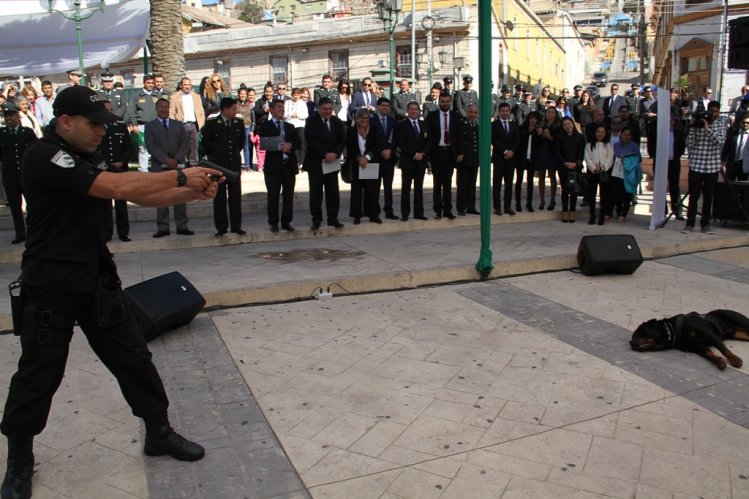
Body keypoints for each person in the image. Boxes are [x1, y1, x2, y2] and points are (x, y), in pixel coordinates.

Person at [0, 86, 219, 499]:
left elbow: (134, 192)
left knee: (133, 357)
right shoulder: (43, 155)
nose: (102, 131)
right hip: (51, 284)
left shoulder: (86, 156)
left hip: (96, 278)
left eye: (105, 124)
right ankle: (20, 460)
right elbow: (116, 187)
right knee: (38, 373)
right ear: (65, 121)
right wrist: (178, 176)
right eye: (94, 123)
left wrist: (191, 190)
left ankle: (158, 432)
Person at [145, 98, 194, 238]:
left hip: (177, 166)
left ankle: (182, 225)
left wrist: (176, 159)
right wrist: (165, 159)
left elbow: (185, 144)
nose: (163, 109)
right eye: (161, 107)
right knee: (162, 197)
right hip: (159, 166)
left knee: (180, 195)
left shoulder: (178, 125)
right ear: (156, 109)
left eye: (166, 107)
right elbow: (150, 146)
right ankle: (163, 227)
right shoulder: (150, 126)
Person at [202, 97, 247, 236]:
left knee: (235, 196)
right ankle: (221, 227)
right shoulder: (212, 124)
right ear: (225, 110)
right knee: (219, 197)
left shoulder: (238, 123)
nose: (236, 111)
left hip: (233, 164)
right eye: (233, 109)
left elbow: (240, 143)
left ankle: (236, 226)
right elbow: (206, 144)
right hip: (218, 166)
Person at [683, 101, 728, 234]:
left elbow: (719, 141)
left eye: (715, 111)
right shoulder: (698, 123)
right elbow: (689, 144)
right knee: (694, 195)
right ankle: (689, 223)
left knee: (708, 197)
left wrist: (707, 129)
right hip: (696, 165)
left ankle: (705, 224)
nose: (713, 114)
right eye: (711, 111)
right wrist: (692, 126)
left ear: (718, 112)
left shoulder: (720, 124)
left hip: (712, 166)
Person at [303, 97, 346, 230]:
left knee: (333, 191)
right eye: (325, 109)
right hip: (316, 162)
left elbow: (342, 140)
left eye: (329, 109)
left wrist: (335, 154)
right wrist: (324, 154)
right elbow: (311, 140)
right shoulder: (311, 121)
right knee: (316, 192)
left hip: (332, 161)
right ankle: (316, 218)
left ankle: (333, 218)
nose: (328, 111)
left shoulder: (337, 122)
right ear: (319, 108)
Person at [258, 99, 300, 232]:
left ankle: (286, 221)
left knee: (288, 195)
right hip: (273, 166)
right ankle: (273, 222)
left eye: (283, 107)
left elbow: (298, 142)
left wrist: (291, 145)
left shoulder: (289, 126)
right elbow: (264, 143)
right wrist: (280, 146)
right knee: (273, 195)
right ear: (271, 109)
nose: (281, 109)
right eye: (278, 107)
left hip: (288, 165)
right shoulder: (265, 126)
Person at [0, 102, 36, 244]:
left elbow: (36, 151)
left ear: (17, 116)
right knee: (15, 208)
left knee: (32, 206)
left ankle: (34, 231)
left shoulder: (27, 132)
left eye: (11, 115)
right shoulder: (1, 134)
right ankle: (20, 234)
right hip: (10, 177)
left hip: (26, 176)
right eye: (6, 116)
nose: (8, 118)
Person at [99, 100, 133, 242]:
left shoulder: (120, 125)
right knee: (105, 204)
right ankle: (106, 233)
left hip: (119, 168)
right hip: (104, 170)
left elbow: (129, 147)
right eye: (106, 110)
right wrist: (104, 165)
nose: (109, 112)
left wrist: (122, 162)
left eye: (110, 109)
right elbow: (94, 150)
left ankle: (123, 232)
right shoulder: (96, 127)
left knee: (121, 203)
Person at [426, 91, 460, 219]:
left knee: (447, 183)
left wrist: (459, 153)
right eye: (443, 102)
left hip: (450, 153)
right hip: (437, 153)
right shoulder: (432, 116)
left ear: (450, 102)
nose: (445, 104)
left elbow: (459, 136)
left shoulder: (455, 116)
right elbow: (428, 136)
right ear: (439, 102)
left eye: (447, 102)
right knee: (437, 183)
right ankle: (438, 209)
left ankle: (447, 209)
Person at [395, 101, 430, 221]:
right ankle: (405, 214)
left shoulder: (424, 124)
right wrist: (414, 155)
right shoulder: (401, 125)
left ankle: (419, 213)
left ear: (419, 111)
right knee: (406, 189)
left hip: (421, 161)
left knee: (419, 189)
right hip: (408, 161)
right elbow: (401, 143)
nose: (413, 111)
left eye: (416, 109)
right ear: (408, 110)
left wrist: (423, 153)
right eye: (411, 109)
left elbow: (429, 141)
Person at [347, 109, 383, 224]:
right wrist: (359, 158)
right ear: (357, 119)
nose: (364, 120)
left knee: (372, 191)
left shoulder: (374, 130)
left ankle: (373, 215)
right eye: (361, 118)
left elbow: (377, 147)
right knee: (357, 191)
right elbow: (350, 147)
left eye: (366, 118)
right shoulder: (351, 131)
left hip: (371, 163)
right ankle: (357, 215)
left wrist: (367, 158)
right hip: (357, 164)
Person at [649, 116, 686, 218]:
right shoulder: (657, 133)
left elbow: (682, 148)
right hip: (660, 163)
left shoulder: (677, 133)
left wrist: (675, 155)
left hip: (673, 163)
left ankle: (677, 211)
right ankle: (662, 210)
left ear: (673, 122)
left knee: (674, 187)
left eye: (671, 121)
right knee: (660, 187)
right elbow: (651, 147)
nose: (669, 123)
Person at [370, 97, 398, 219]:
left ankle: (389, 210)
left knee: (388, 186)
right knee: (375, 187)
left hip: (389, 158)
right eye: (383, 105)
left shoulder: (393, 121)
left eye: (387, 105)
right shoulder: (372, 121)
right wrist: (381, 151)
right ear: (378, 106)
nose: (385, 107)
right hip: (377, 157)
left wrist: (390, 150)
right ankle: (374, 212)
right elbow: (371, 140)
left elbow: (396, 139)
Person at [555, 117, 586, 223]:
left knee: (574, 190)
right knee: (565, 190)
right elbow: (557, 152)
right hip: (564, 167)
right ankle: (565, 212)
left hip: (575, 167)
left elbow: (581, 153)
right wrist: (564, 163)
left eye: (569, 124)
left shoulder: (580, 137)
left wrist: (576, 164)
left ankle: (572, 212)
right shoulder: (559, 137)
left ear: (573, 124)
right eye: (565, 125)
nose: (568, 126)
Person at [491, 102, 519, 215]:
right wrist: (505, 151)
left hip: (511, 159)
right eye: (503, 111)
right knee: (497, 184)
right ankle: (497, 207)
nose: (505, 113)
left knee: (509, 184)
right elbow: (494, 140)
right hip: (499, 158)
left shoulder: (514, 124)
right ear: (499, 111)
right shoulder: (494, 125)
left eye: (507, 111)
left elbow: (517, 140)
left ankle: (507, 206)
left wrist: (512, 151)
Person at [169, 77, 205, 167]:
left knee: (194, 148)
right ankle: (182, 165)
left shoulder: (196, 97)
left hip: (193, 125)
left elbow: (201, 112)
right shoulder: (174, 97)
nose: (187, 87)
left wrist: (201, 123)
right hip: (181, 126)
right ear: (181, 86)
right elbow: (171, 113)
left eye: (189, 84)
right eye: (185, 84)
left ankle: (193, 165)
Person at [127, 74, 159, 173]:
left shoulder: (157, 95)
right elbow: (131, 111)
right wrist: (134, 125)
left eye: (152, 83)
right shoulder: (137, 96)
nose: (150, 85)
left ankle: (156, 168)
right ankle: (143, 170)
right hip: (142, 126)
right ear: (144, 83)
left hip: (156, 125)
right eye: (148, 83)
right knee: (143, 149)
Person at [584, 124, 614, 225]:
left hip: (604, 172)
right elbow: (587, 158)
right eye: (598, 131)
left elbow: (610, 158)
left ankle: (602, 216)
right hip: (593, 173)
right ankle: (592, 216)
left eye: (602, 132)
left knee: (604, 195)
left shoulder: (608, 145)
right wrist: (593, 168)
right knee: (591, 195)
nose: (600, 134)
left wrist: (603, 167)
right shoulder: (589, 145)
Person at [611, 127, 642, 223]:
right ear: (621, 134)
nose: (626, 137)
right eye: (624, 134)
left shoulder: (634, 146)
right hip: (617, 172)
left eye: (628, 135)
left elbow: (639, 159)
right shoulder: (615, 145)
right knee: (617, 194)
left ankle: (623, 214)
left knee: (627, 194)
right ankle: (618, 211)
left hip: (629, 174)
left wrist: (629, 160)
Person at [456, 103, 480, 215]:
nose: (473, 114)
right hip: (464, 159)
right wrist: (459, 154)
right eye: (471, 112)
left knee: (472, 185)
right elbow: (459, 140)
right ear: (467, 112)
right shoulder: (462, 124)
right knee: (462, 185)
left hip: (474, 159)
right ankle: (461, 208)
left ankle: (471, 207)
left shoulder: (478, 124)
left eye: (475, 112)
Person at [515, 110, 542, 212]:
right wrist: (528, 132)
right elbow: (519, 141)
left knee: (530, 181)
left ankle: (529, 203)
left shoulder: (538, 130)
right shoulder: (522, 128)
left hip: (532, 159)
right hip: (521, 158)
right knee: (519, 180)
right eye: (531, 118)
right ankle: (518, 202)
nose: (533, 121)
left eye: (535, 119)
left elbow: (540, 146)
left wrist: (540, 135)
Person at [537, 106, 562, 210]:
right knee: (541, 176)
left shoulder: (558, 126)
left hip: (552, 153)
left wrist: (549, 137)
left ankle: (552, 199)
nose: (550, 114)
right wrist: (539, 134)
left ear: (555, 114)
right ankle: (542, 199)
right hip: (542, 152)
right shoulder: (542, 124)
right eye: (548, 112)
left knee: (552, 175)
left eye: (552, 112)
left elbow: (559, 141)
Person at [284, 88, 308, 166]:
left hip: (300, 125)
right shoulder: (287, 102)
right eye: (295, 95)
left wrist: (297, 115)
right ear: (292, 95)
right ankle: (295, 161)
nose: (296, 96)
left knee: (301, 143)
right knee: (292, 144)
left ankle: (302, 161)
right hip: (290, 125)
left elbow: (306, 115)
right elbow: (284, 114)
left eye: (298, 95)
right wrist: (291, 114)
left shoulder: (302, 103)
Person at [724, 113, 749, 182]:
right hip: (732, 163)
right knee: (729, 185)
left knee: (743, 186)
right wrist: (722, 161)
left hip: (744, 165)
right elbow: (726, 148)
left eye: (748, 123)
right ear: (741, 123)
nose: (745, 124)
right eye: (744, 122)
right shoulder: (733, 133)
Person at [236, 86, 256, 171]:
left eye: (244, 94)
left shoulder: (250, 105)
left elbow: (253, 120)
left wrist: (252, 130)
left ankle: (247, 165)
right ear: (238, 94)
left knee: (246, 147)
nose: (243, 95)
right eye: (241, 94)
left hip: (247, 127)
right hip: (237, 128)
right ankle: (237, 165)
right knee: (236, 147)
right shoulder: (235, 104)